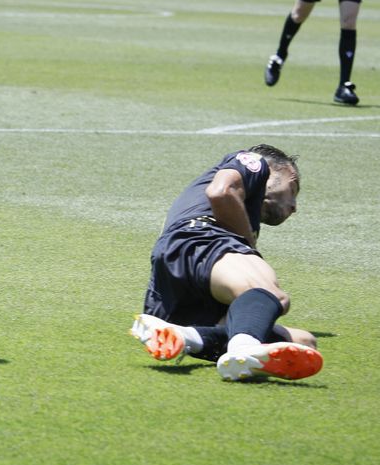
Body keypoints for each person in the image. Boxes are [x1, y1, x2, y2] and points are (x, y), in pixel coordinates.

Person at [129, 145, 321, 382]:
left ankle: (187, 335)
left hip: (173, 285)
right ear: (273, 171)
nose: (294, 206)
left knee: (305, 343)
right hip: (200, 237)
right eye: (292, 189)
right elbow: (220, 192)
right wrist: (249, 246)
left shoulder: (239, 216)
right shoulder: (254, 162)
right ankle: (243, 348)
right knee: (270, 294)